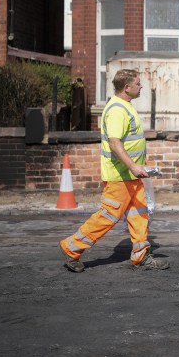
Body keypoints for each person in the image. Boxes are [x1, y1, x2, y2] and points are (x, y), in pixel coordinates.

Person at [60, 68, 170, 272]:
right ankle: (72, 247)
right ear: (127, 87)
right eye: (138, 83)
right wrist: (133, 165)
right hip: (120, 176)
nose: (141, 86)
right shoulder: (118, 110)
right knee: (108, 216)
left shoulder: (124, 106)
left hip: (131, 175)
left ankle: (141, 255)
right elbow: (114, 142)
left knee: (139, 213)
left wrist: (138, 168)